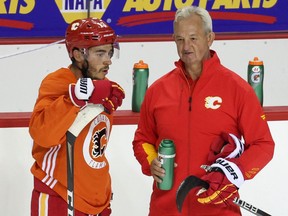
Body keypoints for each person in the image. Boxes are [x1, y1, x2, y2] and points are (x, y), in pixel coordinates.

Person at [132, 6, 274, 216]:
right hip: (166, 209)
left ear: (210, 38)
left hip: (219, 210)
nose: (186, 46)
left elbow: (263, 145)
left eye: (193, 38)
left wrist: (235, 173)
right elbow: (142, 139)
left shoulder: (237, 89)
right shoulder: (158, 91)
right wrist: (151, 162)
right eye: (179, 39)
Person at [29, 17, 125, 216]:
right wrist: (72, 98)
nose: (107, 60)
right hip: (59, 197)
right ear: (77, 54)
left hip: (97, 200)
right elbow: (42, 134)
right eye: (100, 53)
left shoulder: (104, 86)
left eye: (110, 52)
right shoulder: (58, 82)